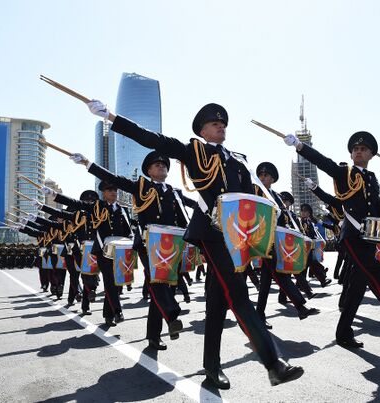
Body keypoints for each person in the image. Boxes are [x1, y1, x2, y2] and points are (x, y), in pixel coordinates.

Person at [84, 100, 303, 388]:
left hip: (236, 236)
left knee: (217, 303)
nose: (221, 127)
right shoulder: (193, 152)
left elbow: (253, 196)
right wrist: (112, 118)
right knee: (239, 295)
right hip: (212, 233)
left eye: (223, 123)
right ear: (202, 130)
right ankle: (273, 363)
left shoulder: (238, 160)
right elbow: (151, 138)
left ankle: (211, 366)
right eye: (215, 124)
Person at [283, 130, 380, 348]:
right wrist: (299, 146)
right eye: (355, 149)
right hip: (353, 237)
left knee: (357, 288)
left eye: (363, 149)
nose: (358, 152)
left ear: (371, 154)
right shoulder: (344, 173)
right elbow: (323, 162)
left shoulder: (371, 178)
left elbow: (376, 207)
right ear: (351, 154)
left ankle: (343, 333)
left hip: (369, 238)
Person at [68, 150, 190, 350]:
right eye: (156, 165)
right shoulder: (141, 188)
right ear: (149, 171)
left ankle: (154, 335)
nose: (161, 166)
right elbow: (114, 179)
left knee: (164, 287)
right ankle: (172, 315)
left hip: (172, 245)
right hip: (149, 244)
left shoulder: (175, 192)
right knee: (157, 282)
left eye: (163, 164)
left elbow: (186, 216)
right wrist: (88, 164)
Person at [44, 181, 132, 326]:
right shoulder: (97, 207)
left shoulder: (123, 210)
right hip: (102, 251)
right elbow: (74, 203)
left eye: (115, 190)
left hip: (120, 251)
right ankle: (117, 311)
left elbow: (128, 230)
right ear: (104, 193)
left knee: (116, 284)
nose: (113, 192)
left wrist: (131, 241)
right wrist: (54, 195)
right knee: (108, 280)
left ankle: (108, 314)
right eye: (110, 190)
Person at [254, 161, 319, 329]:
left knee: (266, 281)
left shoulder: (275, 196)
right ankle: (301, 306)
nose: (262, 177)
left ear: (272, 179)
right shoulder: (255, 192)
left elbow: (285, 219)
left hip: (276, 242)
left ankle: (259, 315)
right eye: (260, 175)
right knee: (280, 273)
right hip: (263, 241)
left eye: (266, 175)